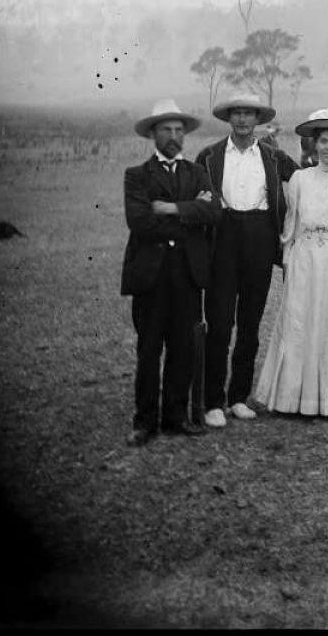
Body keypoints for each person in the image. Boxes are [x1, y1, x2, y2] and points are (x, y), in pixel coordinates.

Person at [252, 109, 328, 417]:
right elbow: (291, 223)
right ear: (314, 145)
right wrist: (294, 257)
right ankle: (296, 397)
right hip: (305, 256)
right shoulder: (300, 179)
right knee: (301, 319)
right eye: (323, 141)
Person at [195, 92, 298, 429]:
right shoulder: (209, 156)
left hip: (259, 237)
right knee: (220, 322)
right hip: (223, 238)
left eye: (248, 114)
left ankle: (238, 397)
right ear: (229, 119)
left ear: (258, 120)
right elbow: (195, 198)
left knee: (251, 322)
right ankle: (213, 401)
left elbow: (303, 182)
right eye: (236, 114)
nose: (242, 120)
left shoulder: (272, 156)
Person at [121, 99, 221, 445]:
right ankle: (145, 421)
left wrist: (171, 208)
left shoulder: (197, 172)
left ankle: (175, 418)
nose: (174, 136)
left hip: (188, 275)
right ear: (153, 134)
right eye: (167, 130)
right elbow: (141, 222)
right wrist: (188, 219)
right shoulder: (136, 176)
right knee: (149, 349)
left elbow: (213, 212)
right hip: (151, 276)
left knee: (183, 348)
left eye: (179, 130)